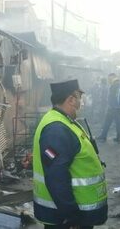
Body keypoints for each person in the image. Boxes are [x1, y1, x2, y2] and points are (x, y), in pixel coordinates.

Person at [32, 79, 108, 229]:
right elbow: (56, 177)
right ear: (71, 100)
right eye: (79, 98)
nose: (81, 103)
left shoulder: (64, 121)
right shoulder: (57, 129)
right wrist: (72, 217)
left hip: (72, 214)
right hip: (66, 218)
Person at [97, 73, 120, 143]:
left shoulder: (115, 84)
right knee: (115, 122)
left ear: (112, 77)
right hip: (118, 107)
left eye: (109, 78)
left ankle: (105, 136)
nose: (108, 80)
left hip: (113, 107)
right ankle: (115, 137)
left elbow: (111, 97)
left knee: (111, 122)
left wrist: (111, 105)